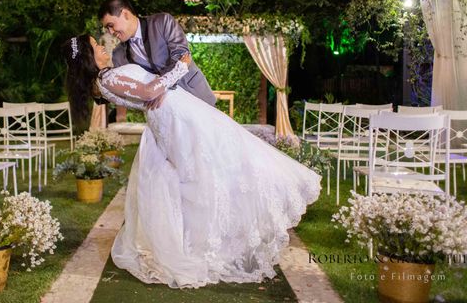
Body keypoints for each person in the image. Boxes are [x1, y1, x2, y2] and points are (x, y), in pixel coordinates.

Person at [62, 34, 321, 289]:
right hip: (176, 116)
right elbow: (148, 91)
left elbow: (148, 90)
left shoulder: (106, 78)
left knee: (212, 163)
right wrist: (181, 67)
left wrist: (162, 81)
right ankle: (210, 244)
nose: (102, 47)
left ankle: (210, 240)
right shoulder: (109, 77)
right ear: (87, 57)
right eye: (96, 46)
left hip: (175, 113)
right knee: (211, 166)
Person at [98, 0, 216, 108]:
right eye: (107, 28)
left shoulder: (162, 22)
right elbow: (129, 88)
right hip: (165, 109)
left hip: (193, 92)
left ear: (125, 14)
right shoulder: (118, 54)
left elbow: (181, 55)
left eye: (111, 25)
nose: (110, 32)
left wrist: (161, 87)